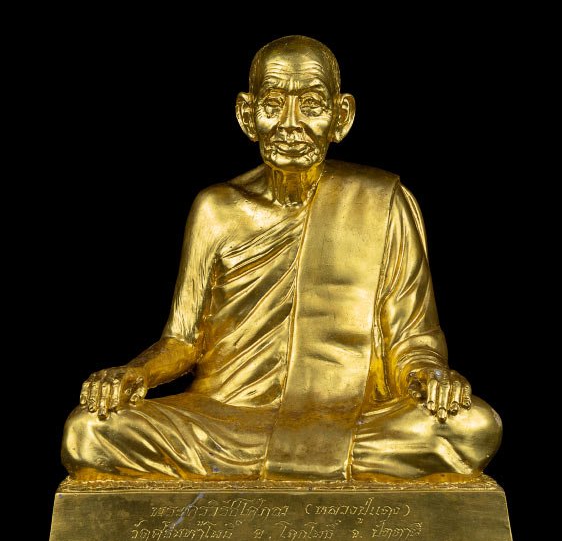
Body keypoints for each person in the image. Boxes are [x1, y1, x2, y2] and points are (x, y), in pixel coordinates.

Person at [62, 35, 502, 483]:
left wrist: (432, 376)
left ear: (341, 117)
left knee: (472, 428)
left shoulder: (383, 202)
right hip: (225, 419)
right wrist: (133, 373)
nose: (290, 124)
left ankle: (270, 468)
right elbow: (182, 340)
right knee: (89, 431)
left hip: (346, 417)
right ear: (247, 115)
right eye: (273, 104)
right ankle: (307, 468)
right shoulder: (216, 209)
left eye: (311, 105)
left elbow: (412, 337)